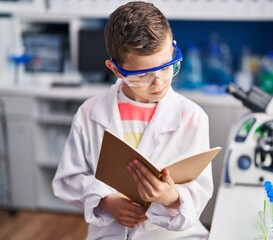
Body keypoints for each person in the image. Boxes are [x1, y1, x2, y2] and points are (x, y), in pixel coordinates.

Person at [52, 1, 213, 239]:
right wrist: (106, 201)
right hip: (110, 232)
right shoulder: (90, 114)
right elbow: (68, 180)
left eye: (167, 67)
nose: (158, 83)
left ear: (173, 48)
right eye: (143, 75)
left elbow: (199, 192)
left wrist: (168, 196)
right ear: (116, 70)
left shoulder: (193, 117)